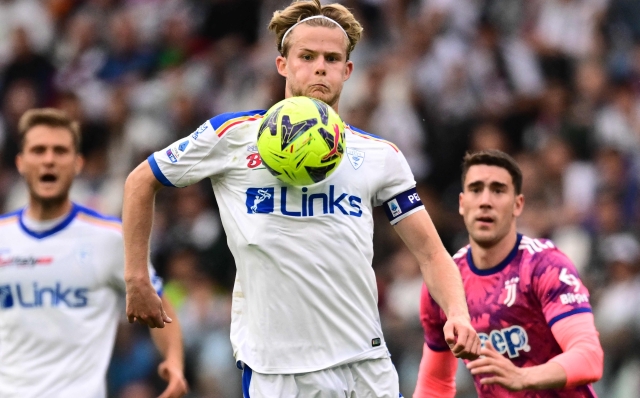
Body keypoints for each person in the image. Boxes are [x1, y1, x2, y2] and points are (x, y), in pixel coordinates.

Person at [123, 1, 480, 396]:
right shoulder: (234, 136)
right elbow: (141, 181)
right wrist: (137, 277)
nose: (319, 67)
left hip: (363, 363)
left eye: (331, 58)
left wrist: (459, 314)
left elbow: (431, 253)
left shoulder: (380, 156)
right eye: (307, 56)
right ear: (282, 65)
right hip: (276, 370)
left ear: (347, 71)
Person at [0, 108, 188, 398]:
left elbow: (158, 302)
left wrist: (174, 362)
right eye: (38, 150)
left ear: (77, 163)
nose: (49, 159)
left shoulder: (110, 239)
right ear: (21, 162)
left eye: (60, 151)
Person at [415, 150, 604, 397]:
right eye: (475, 189)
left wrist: (523, 376)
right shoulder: (443, 283)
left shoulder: (545, 266)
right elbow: (435, 385)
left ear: (518, 205)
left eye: (498, 190)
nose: (485, 201)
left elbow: (589, 357)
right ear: (462, 203)